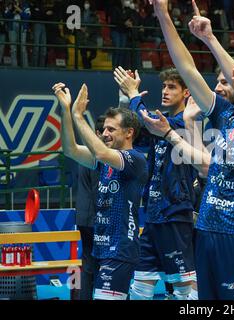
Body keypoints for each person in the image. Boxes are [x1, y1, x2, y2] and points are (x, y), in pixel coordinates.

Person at [146, 0, 234, 300]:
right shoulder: (224, 113)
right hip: (205, 229)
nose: (222, 85)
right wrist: (164, 16)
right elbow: (187, 68)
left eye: (230, 79)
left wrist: (210, 39)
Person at [52, 82, 148, 300]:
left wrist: (79, 116)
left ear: (129, 133)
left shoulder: (135, 159)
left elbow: (102, 153)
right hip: (101, 247)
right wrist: (66, 110)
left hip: (120, 249)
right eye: (104, 129)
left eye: (111, 129)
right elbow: (70, 149)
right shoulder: (105, 161)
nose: (104, 133)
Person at [114, 67, 199, 300]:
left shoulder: (186, 122)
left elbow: (148, 121)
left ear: (186, 93)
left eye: (172, 87)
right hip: (152, 215)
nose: (165, 91)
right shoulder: (163, 123)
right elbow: (129, 130)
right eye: (163, 86)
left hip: (175, 213)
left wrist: (133, 94)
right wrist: (125, 97)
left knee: (184, 288)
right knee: (140, 285)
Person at [74, 115, 105, 300]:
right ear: (97, 133)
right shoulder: (96, 156)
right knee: (99, 264)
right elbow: (96, 191)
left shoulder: (86, 152)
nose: (108, 136)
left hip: (83, 218)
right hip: (94, 218)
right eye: (106, 131)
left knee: (88, 264)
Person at [79, 0, 99, 69]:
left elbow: (96, 26)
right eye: (85, 3)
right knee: (83, 54)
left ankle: (88, 62)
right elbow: (75, 23)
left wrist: (88, 32)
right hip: (82, 37)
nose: (86, 4)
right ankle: (86, 67)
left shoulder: (94, 14)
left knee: (94, 54)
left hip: (91, 38)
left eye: (87, 3)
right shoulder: (80, 14)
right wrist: (80, 28)